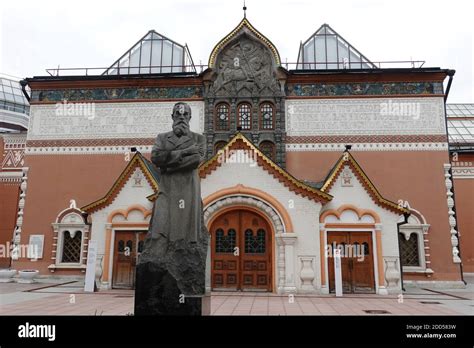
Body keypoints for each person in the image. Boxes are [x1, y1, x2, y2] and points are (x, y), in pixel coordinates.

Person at [147, 102, 206, 244]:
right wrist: (185, 152)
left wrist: (167, 167)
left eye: (185, 114)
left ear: (190, 117)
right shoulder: (162, 138)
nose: (181, 117)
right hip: (167, 188)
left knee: (184, 228)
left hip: (188, 189)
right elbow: (156, 157)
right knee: (160, 225)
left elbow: (196, 160)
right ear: (172, 116)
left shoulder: (199, 139)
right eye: (178, 114)